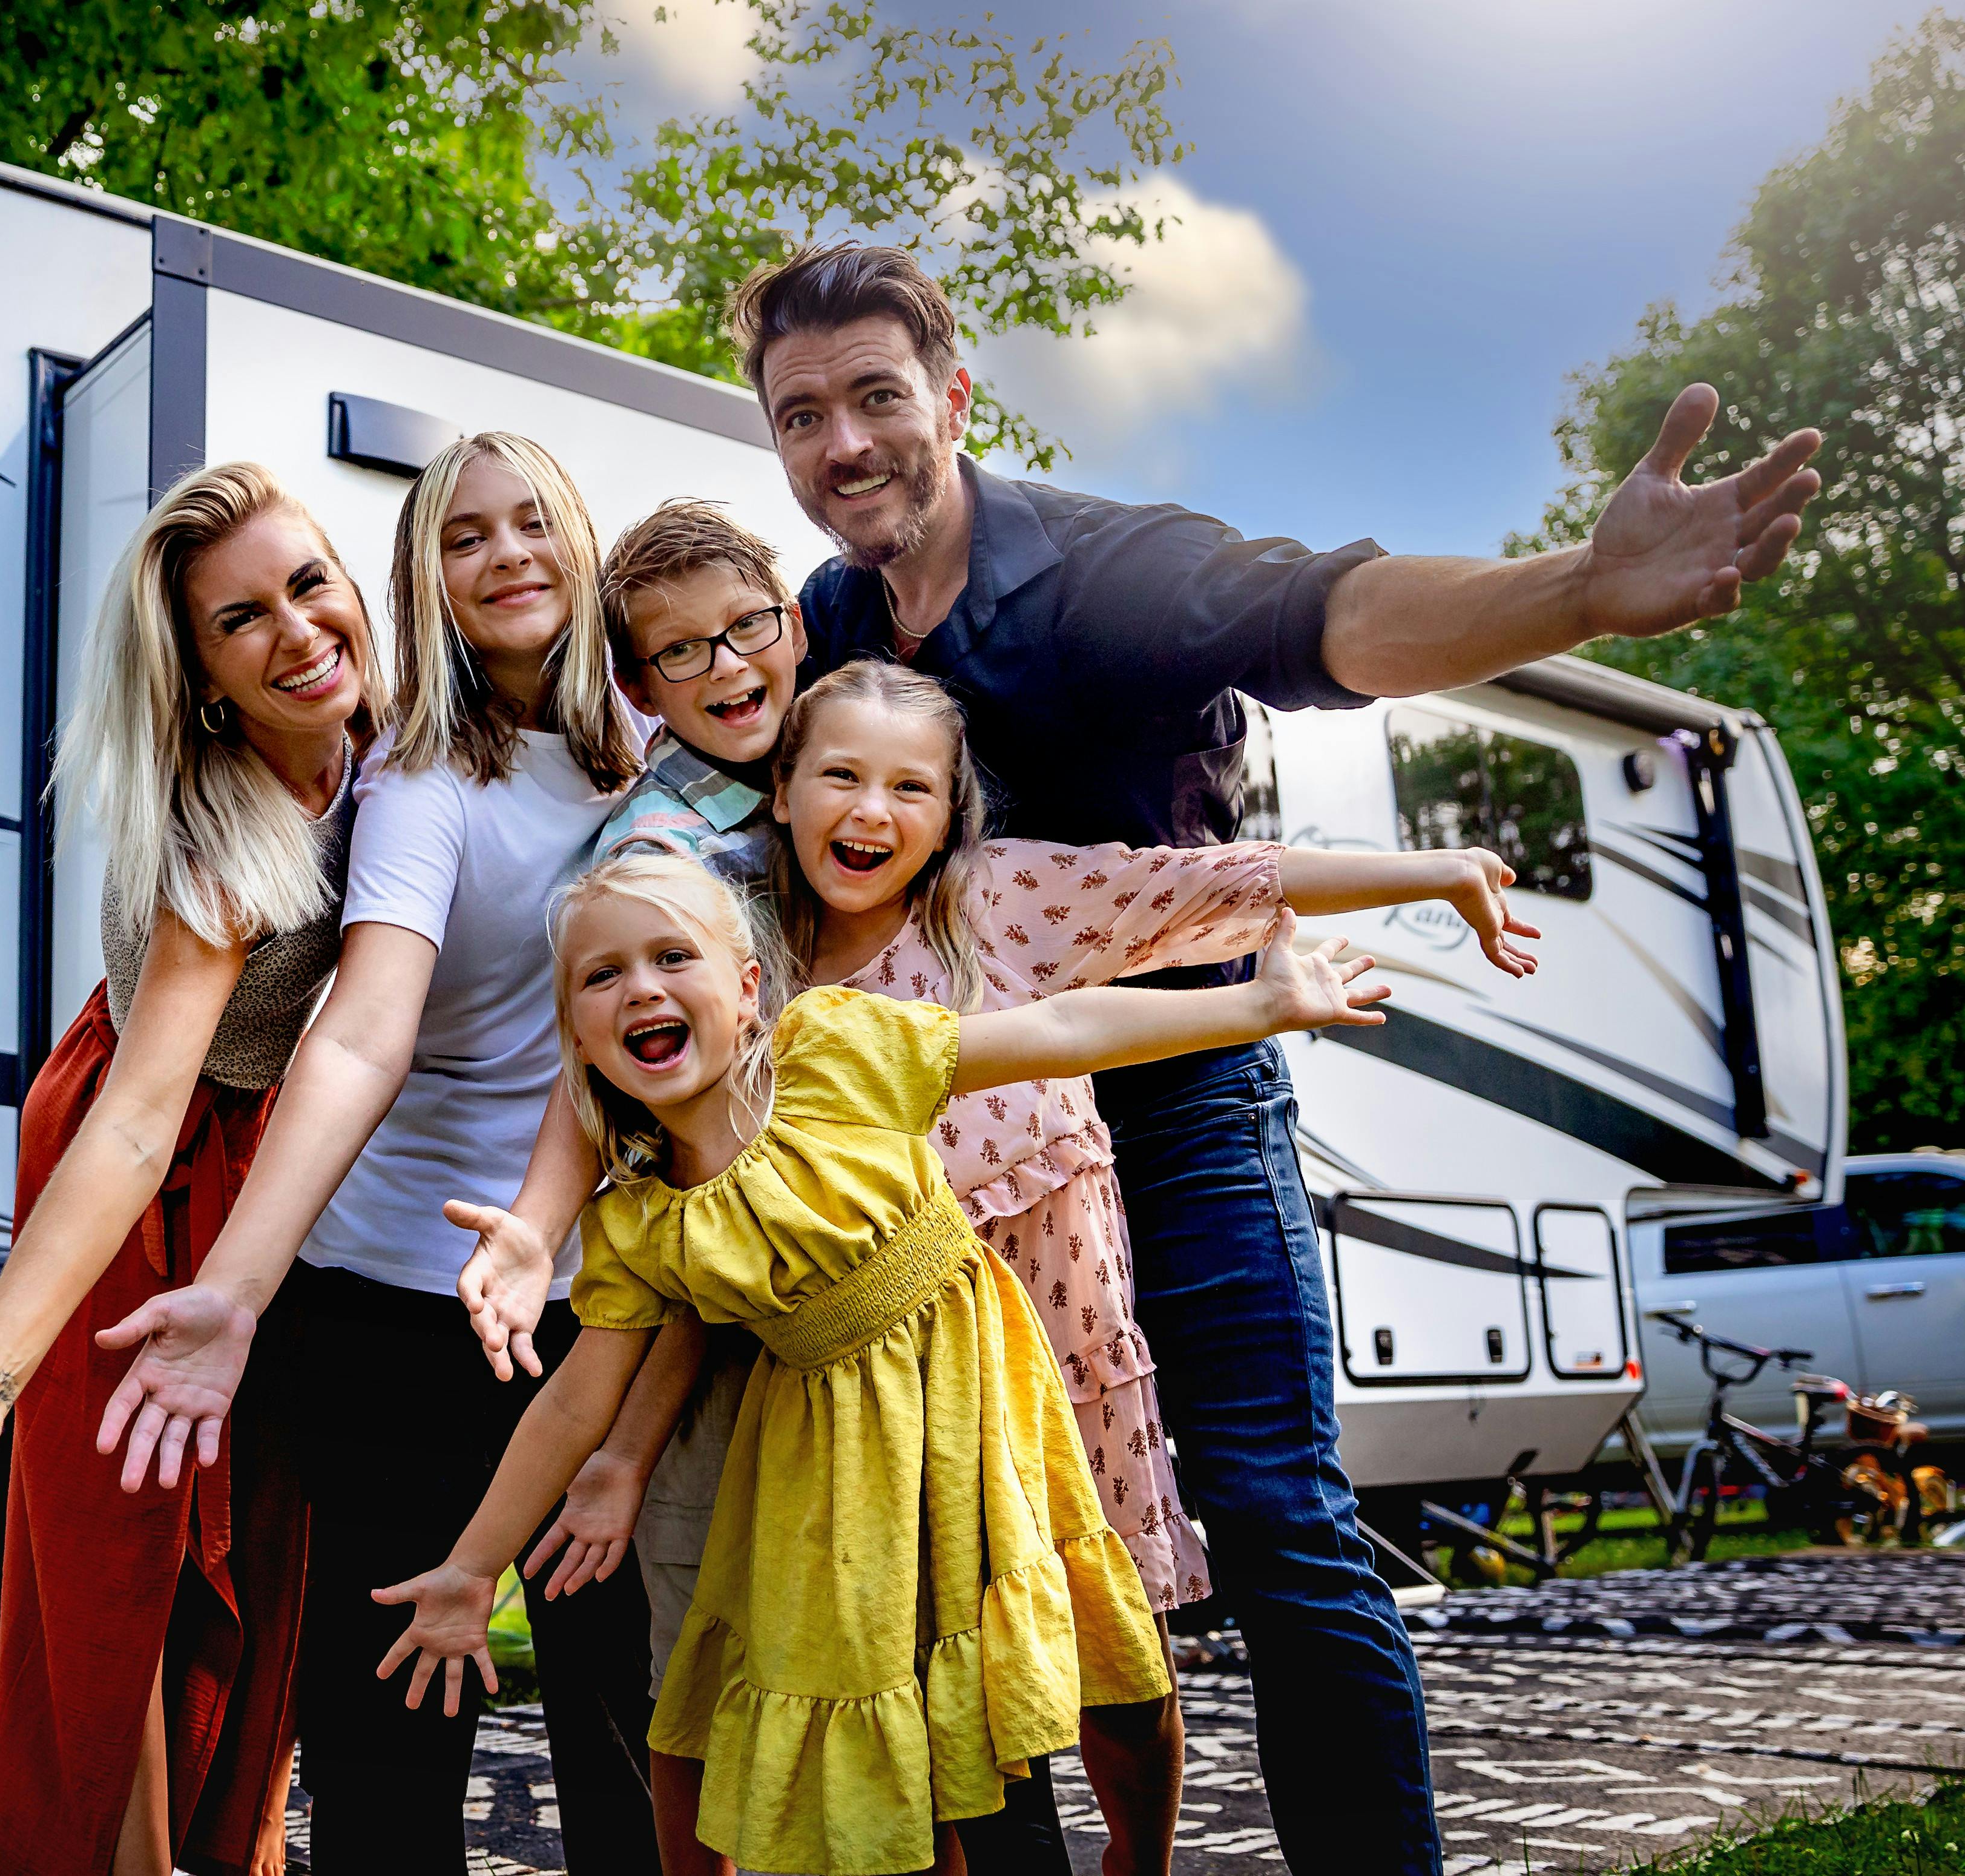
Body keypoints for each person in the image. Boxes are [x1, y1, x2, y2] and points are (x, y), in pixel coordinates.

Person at [731, 240, 1823, 1872]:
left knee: (1276, 1517)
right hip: (976, 1148)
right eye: (801, 414)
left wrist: (1575, 592)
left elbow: (1331, 614)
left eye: (877, 397)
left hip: (1180, 1100)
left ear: (954, 398)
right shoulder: (826, 620)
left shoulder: (1103, 569)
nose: (843, 446)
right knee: (989, 1543)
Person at [379, 851, 1402, 1876]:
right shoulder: (642, 1220)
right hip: (830, 1472)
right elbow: (571, 1406)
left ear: (745, 992)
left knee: (1114, 1680)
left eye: (671, 956)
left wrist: (1259, 1009)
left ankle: (1140, 1857)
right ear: (581, 1042)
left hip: (977, 1405)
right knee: (902, 1735)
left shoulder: (832, 1054)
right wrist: (471, 1568)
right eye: (601, 978)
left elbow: (1058, 1031)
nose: (639, 987)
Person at [762, 659, 1538, 1873]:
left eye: (911, 785)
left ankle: (1140, 1852)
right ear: (782, 790)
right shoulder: (760, 963)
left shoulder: (991, 903)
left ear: (954, 808)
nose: (872, 811)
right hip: (898, 1390)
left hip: (1066, 1361)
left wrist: (1436, 869)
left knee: (1113, 1648)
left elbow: (1206, 880)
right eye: (841, 775)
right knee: (948, 1661)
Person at [82, 433, 662, 1873]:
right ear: (423, 577)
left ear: (585, 544)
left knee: (628, 1708)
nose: (511, 553)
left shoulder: (667, 757)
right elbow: (361, 1031)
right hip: (397, 1305)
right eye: (467, 536)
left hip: (603, 1302)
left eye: (538, 519)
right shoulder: (421, 778)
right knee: (393, 1733)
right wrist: (236, 1286)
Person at [0, 462, 376, 1876]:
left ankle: (229, 1840)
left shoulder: (401, 749)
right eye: (242, 620)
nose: (297, 631)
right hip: (146, 1145)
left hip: (272, 1157)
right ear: (202, 677)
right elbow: (136, 1117)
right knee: (126, 1561)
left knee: (269, 1535)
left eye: (310, 583)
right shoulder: (220, 835)